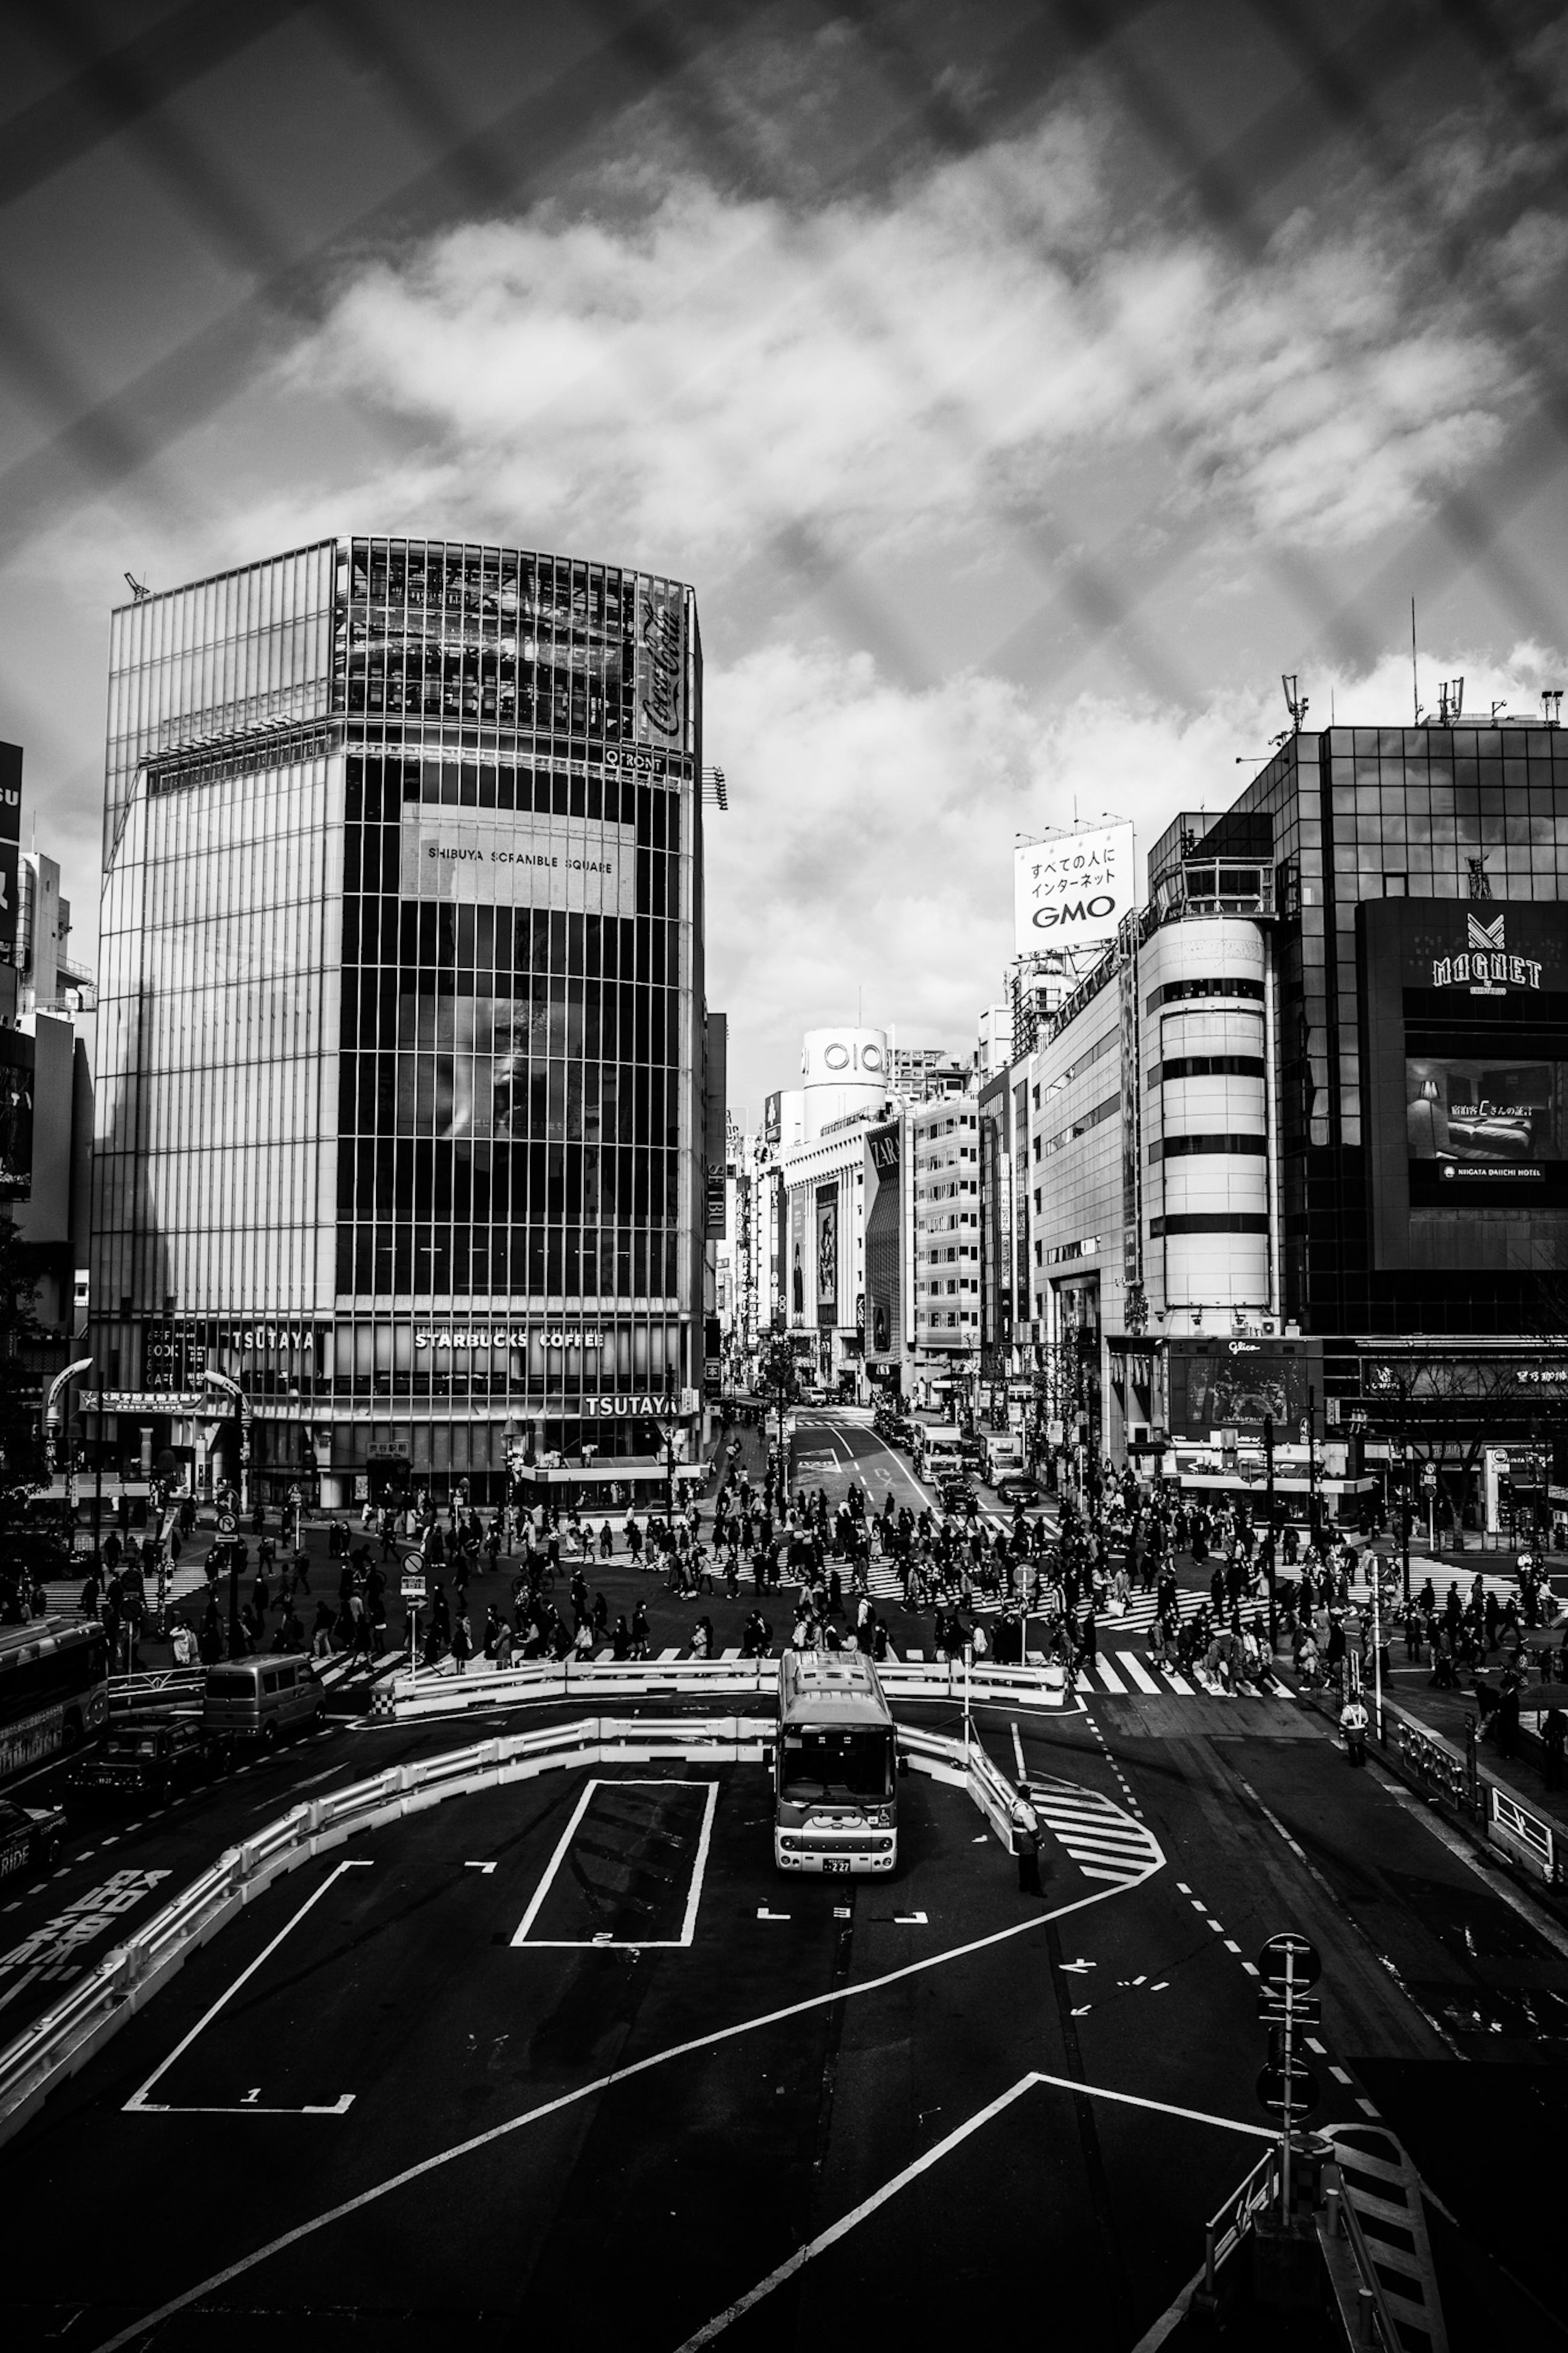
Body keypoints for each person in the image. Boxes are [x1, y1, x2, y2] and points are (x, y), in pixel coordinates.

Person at [1009, 1782, 1043, 1895]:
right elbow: (1032, 1827)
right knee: (1033, 1865)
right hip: (1026, 1839)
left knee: (1023, 1862)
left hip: (1017, 1836)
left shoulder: (1015, 1803)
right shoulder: (1026, 1809)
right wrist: (1039, 1840)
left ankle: (1023, 1885)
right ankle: (1036, 1889)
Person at [1340, 1690, 1370, 1766]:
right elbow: (1366, 1720)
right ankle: (1362, 1762)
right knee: (1361, 1747)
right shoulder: (1362, 1709)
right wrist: (1366, 1731)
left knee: (1352, 1748)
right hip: (1360, 1731)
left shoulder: (1347, 1711)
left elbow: (1343, 1722)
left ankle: (1354, 1763)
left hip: (1351, 1731)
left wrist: (1342, 1733)